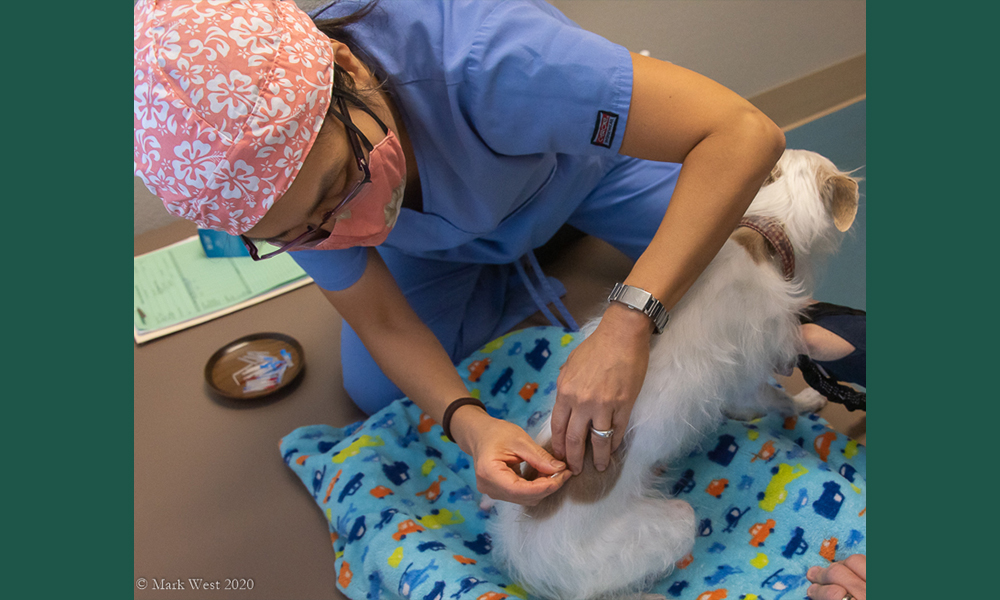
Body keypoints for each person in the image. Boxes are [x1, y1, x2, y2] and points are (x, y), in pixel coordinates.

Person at [134, 0, 787, 505]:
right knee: (374, 386)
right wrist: (469, 424)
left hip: (583, 174)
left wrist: (627, 322)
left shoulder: (487, 59)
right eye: (304, 231)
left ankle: (549, 242)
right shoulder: (277, 200)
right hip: (439, 244)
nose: (347, 228)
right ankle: (504, 257)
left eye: (340, 183)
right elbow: (382, 319)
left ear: (350, 71)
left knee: (756, 266)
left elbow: (742, 132)